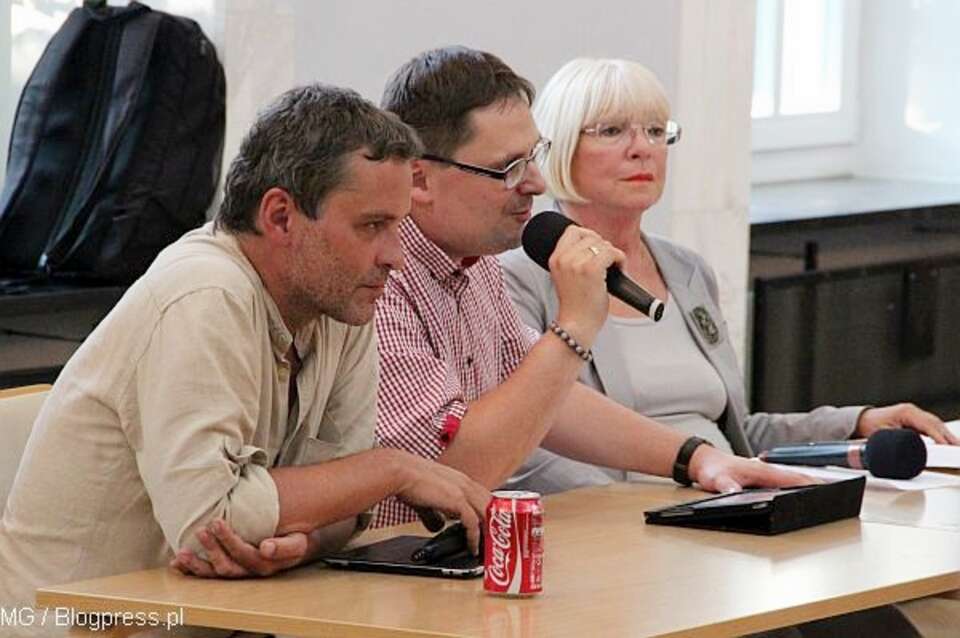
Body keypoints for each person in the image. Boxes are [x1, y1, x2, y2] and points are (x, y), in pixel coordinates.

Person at [0, 84, 489, 637]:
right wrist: (389, 470)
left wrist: (304, 539)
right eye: (372, 226)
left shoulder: (341, 300)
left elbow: (346, 510)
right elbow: (210, 521)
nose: (395, 256)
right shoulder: (204, 294)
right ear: (280, 216)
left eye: (399, 226)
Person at [498, 57, 957, 638]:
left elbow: (739, 435)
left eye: (655, 131)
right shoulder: (518, 280)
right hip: (639, 537)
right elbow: (531, 450)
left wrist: (855, 423)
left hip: (735, 518)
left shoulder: (686, 270)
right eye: (612, 131)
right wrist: (667, 501)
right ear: (561, 147)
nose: (642, 149)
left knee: (879, 628)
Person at [369, 45, 812, 529]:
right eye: (508, 168)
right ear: (419, 180)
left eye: (534, 157)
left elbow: (553, 404)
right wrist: (574, 326)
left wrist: (697, 459)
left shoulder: (476, 266)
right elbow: (450, 477)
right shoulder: (380, 279)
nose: (535, 183)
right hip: (382, 562)